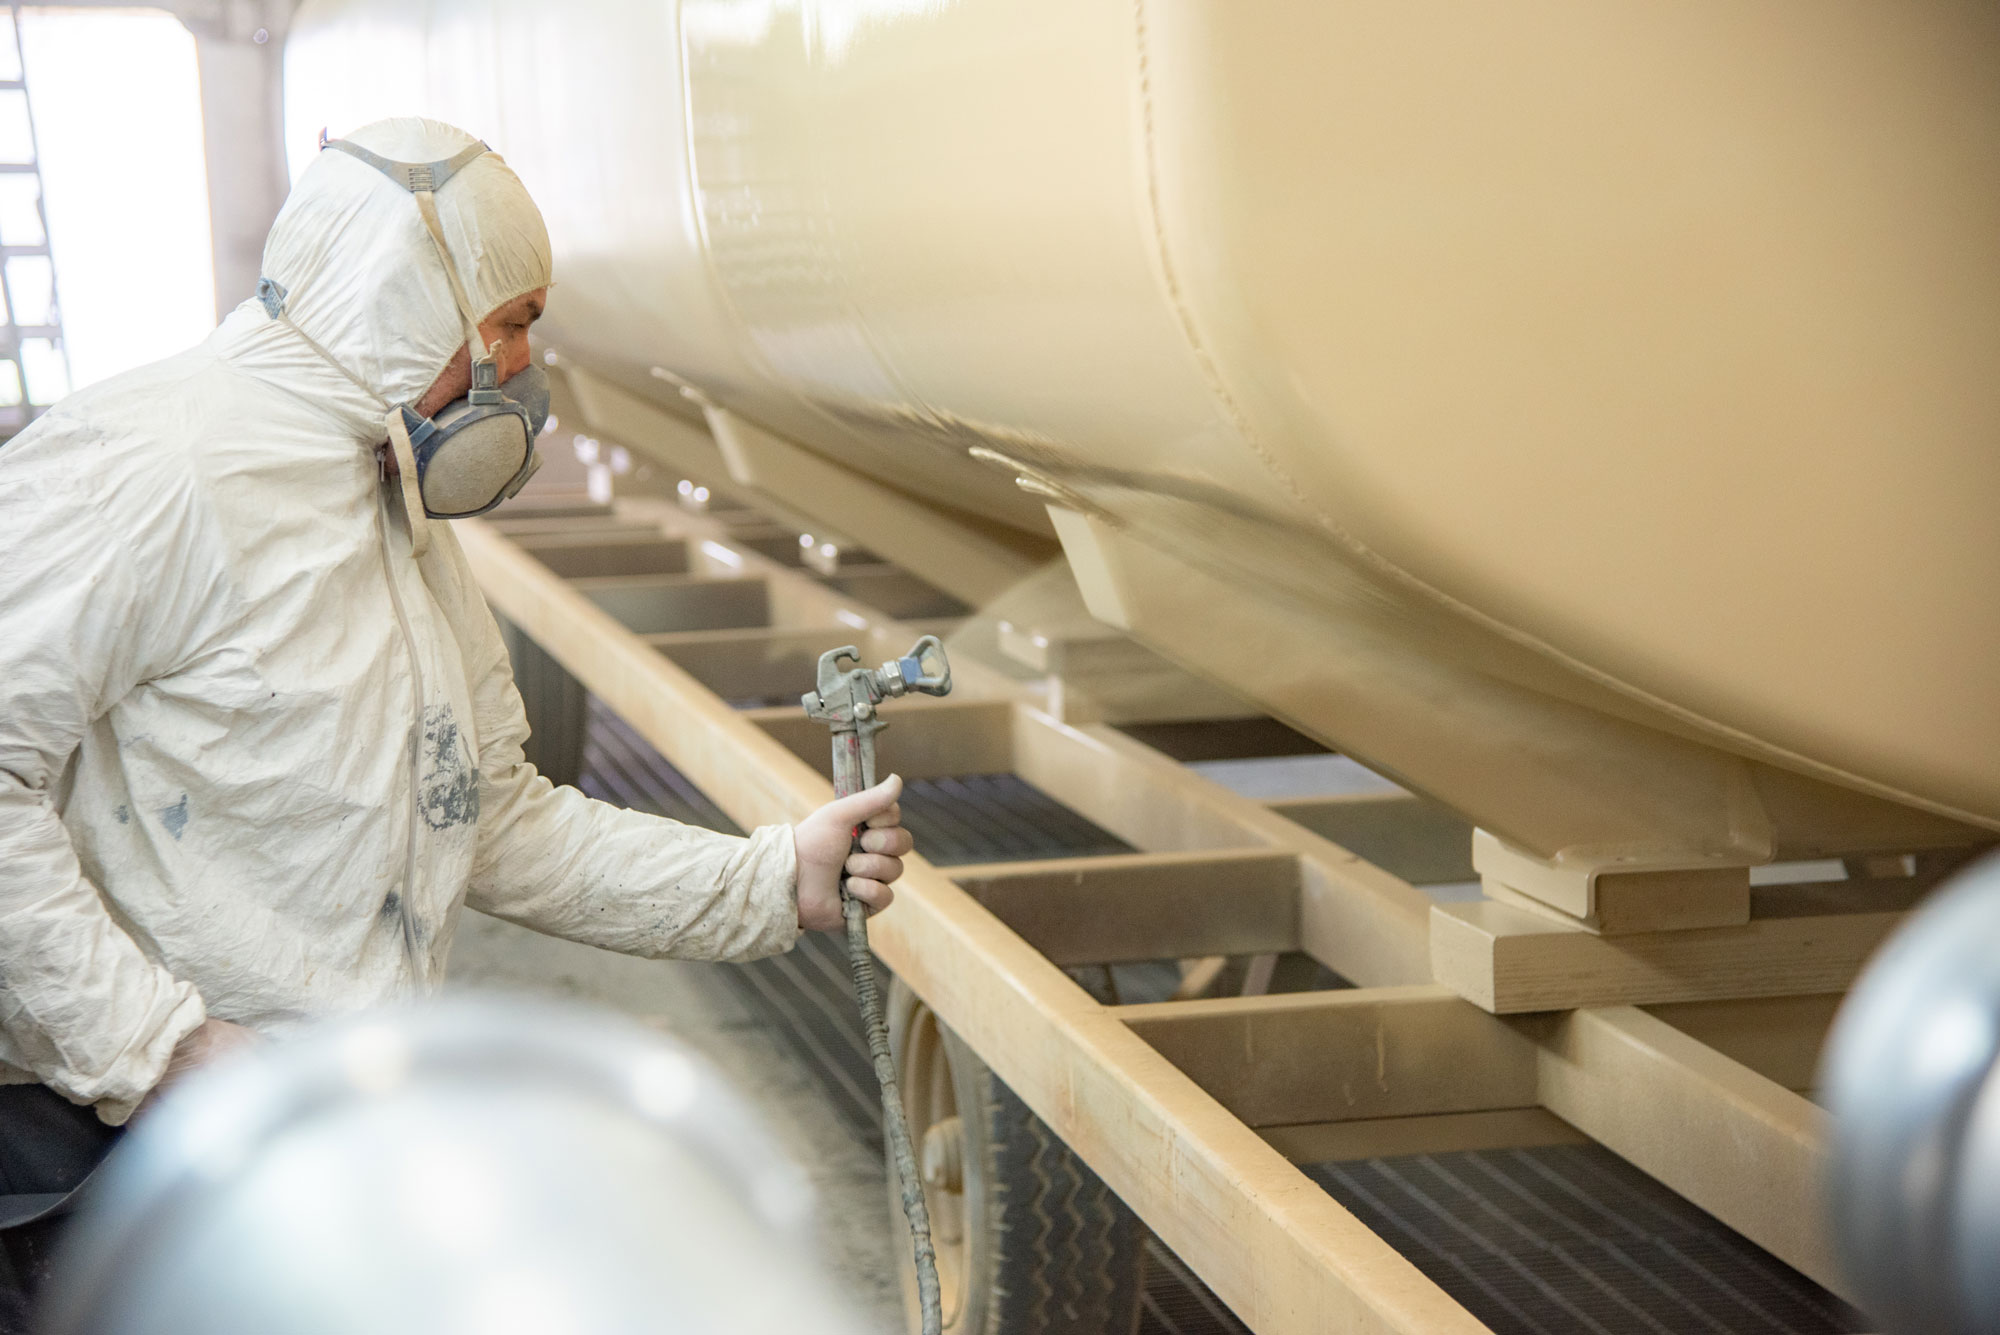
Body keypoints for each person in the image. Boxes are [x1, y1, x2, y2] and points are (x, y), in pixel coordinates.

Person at [0, 117, 912, 1301]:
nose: (524, 370)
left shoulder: (388, 500)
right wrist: (163, 1054)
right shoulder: (149, 468)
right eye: (514, 324)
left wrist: (768, 878)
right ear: (401, 302)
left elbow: (490, 815)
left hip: (304, 1130)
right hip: (101, 1155)